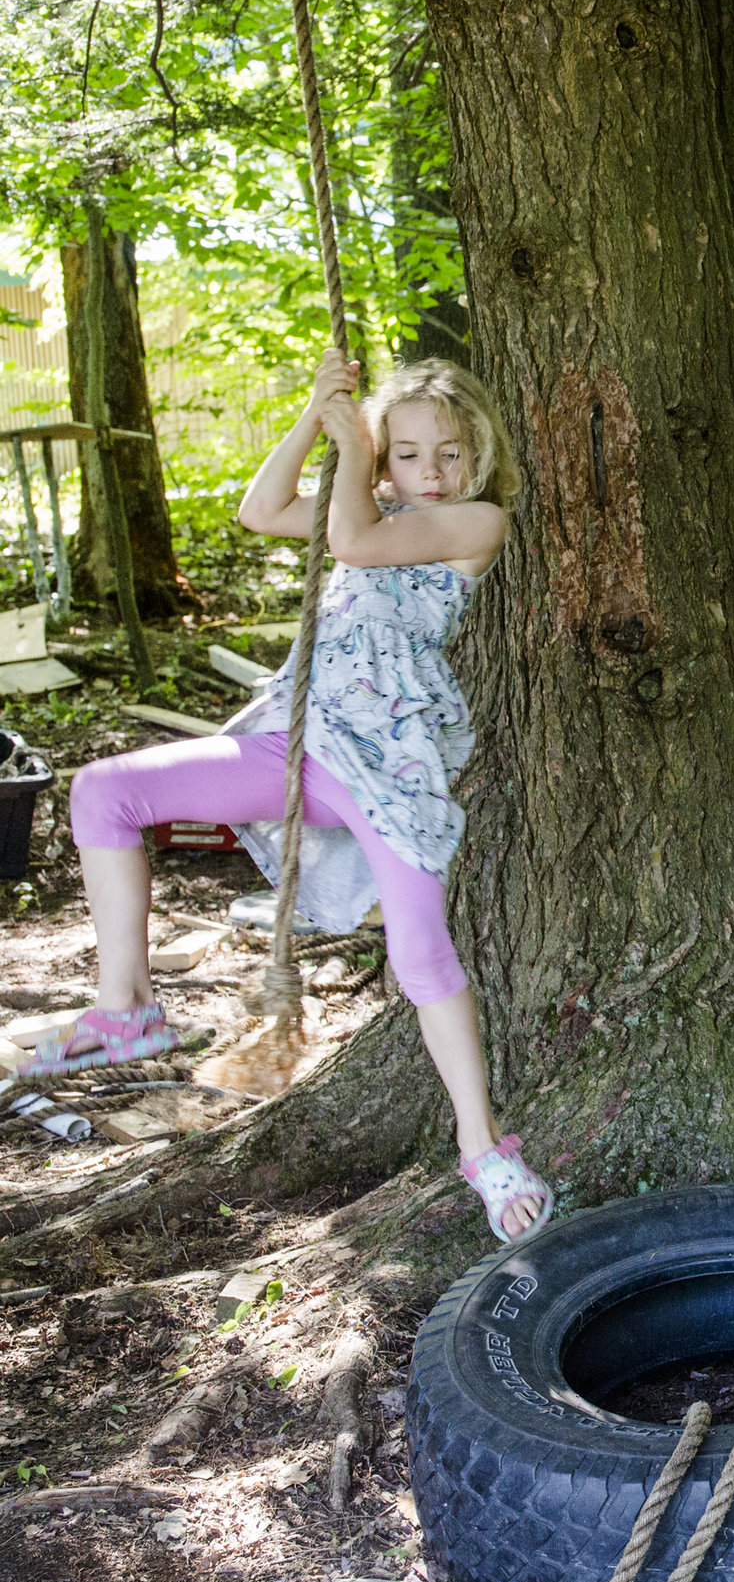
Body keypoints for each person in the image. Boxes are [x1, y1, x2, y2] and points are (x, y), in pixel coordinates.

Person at [29, 349, 553, 1247]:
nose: (433, 471)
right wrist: (319, 414)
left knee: (423, 950)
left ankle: (482, 1148)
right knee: (102, 791)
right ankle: (127, 1006)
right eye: (411, 453)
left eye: (451, 451)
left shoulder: (477, 522)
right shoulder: (371, 501)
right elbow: (261, 510)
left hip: (391, 767)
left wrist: (355, 456)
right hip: (299, 743)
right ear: (386, 461)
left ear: (479, 458)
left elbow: (354, 542)